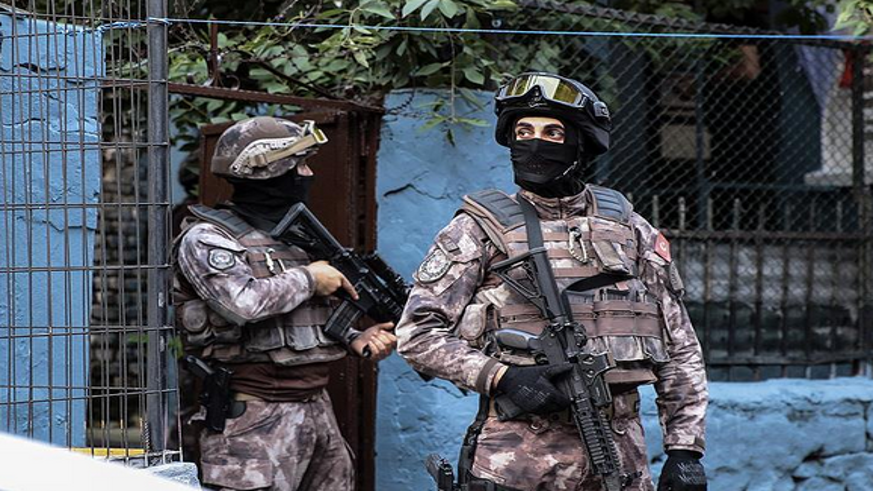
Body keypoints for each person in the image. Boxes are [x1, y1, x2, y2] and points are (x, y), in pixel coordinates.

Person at [396, 72, 708, 491]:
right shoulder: (477, 229)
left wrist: (685, 450)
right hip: (517, 463)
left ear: (580, 143)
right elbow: (417, 335)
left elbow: (679, 344)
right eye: (523, 132)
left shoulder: (629, 229)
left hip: (620, 460)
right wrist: (501, 377)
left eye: (552, 133)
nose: (534, 144)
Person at [172, 116, 396, 491]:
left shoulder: (289, 238)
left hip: (315, 407)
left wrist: (354, 337)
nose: (308, 175)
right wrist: (310, 278)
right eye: (300, 165)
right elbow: (242, 304)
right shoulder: (208, 237)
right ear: (268, 171)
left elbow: (298, 315)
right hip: (254, 416)